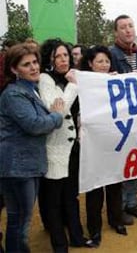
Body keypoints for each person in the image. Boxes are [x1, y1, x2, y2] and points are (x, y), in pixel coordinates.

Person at [0, 43, 64, 253]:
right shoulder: (14, 95)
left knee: (20, 219)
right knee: (20, 221)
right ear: (13, 69)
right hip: (17, 168)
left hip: (28, 165)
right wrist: (56, 116)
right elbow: (35, 125)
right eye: (26, 64)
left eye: (35, 62)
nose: (34, 67)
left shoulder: (31, 90)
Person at [38, 39, 89, 251]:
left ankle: (77, 236)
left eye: (66, 55)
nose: (63, 60)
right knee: (54, 200)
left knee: (71, 196)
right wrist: (73, 85)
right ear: (50, 59)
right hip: (55, 149)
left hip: (74, 147)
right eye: (58, 56)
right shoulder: (45, 79)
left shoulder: (73, 77)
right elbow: (58, 109)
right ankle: (60, 245)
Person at [78, 45, 128, 247]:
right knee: (95, 187)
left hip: (113, 141)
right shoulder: (82, 83)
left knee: (115, 182)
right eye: (100, 61)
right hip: (92, 144)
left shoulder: (115, 82)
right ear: (90, 63)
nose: (104, 65)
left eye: (107, 61)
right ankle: (95, 229)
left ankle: (116, 220)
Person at [110, 14, 137, 221]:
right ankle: (120, 207)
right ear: (116, 32)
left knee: (134, 160)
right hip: (119, 118)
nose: (128, 30)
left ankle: (132, 202)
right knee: (119, 163)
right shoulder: (110, 55)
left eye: (131, 26)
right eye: (123, 27)